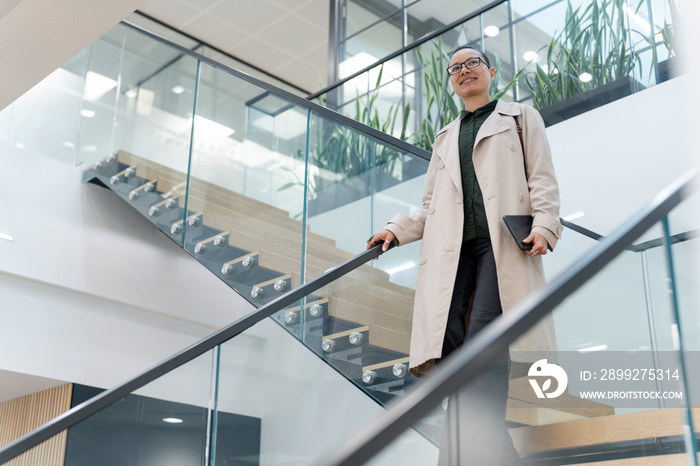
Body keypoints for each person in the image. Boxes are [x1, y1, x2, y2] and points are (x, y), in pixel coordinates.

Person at [367, 45, 563, 465]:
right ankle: (486, 452)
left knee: (483, 340)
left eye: (472, 63)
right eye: (455, 68)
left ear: (491, 71)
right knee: (450, 343)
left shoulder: (520, 118)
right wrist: (396, 229)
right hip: (453, 252)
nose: (463, 71)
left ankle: (468, 452)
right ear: (452, 82)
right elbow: (430, 205)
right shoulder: (444, 136)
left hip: (503, 244)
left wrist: (545, 225)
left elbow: (542, 179)